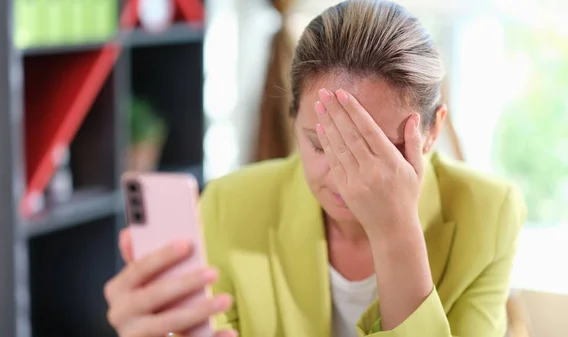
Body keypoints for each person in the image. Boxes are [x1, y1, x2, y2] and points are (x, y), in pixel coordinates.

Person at [103, 0, 526, 336]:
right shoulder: (230, 205)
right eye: (322, 144)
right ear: (293, 122)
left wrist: (395, 231)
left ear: (433, 132)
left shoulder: (489, 212)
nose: (348, 176)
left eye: (380, 151)